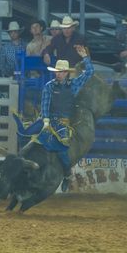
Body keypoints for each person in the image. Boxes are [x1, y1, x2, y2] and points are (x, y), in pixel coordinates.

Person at [13, 45, 94, 191]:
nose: (59, 74)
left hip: (63, 123)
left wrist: (85, 58)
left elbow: (90, 72)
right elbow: (45, 104)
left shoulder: (73, 85)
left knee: (62, 150)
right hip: (48, 120)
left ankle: (67, 175)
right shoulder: (49, 86)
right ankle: (19, 168)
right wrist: (45, 120)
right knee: (24, 133)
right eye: (57, 72)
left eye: (61, 72)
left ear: (66, 73)